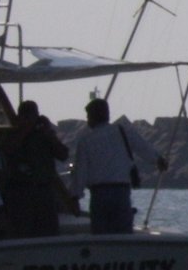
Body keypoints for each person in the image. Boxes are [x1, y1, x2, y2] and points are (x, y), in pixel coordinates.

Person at [68, 97, 166, 234]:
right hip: (121, 192)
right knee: (123, 233)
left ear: (92, 117)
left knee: (101, 235)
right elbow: (142, 147)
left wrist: (75, 196)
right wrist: (158, 160)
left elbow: (81, 173)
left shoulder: (85, 141)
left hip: (99, 194)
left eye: (88, 116)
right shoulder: (122, 131)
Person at [1, 99, 69, 239]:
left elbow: (63, 154)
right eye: (26, 116)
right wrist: (24, 131)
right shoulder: (12, 135)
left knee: (48, 232)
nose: (29, 119)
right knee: (22, 232)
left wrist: (49, 134)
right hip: (20, 191)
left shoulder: (44, 136)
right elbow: (6, 150)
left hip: (43, 190)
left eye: (32, 116)